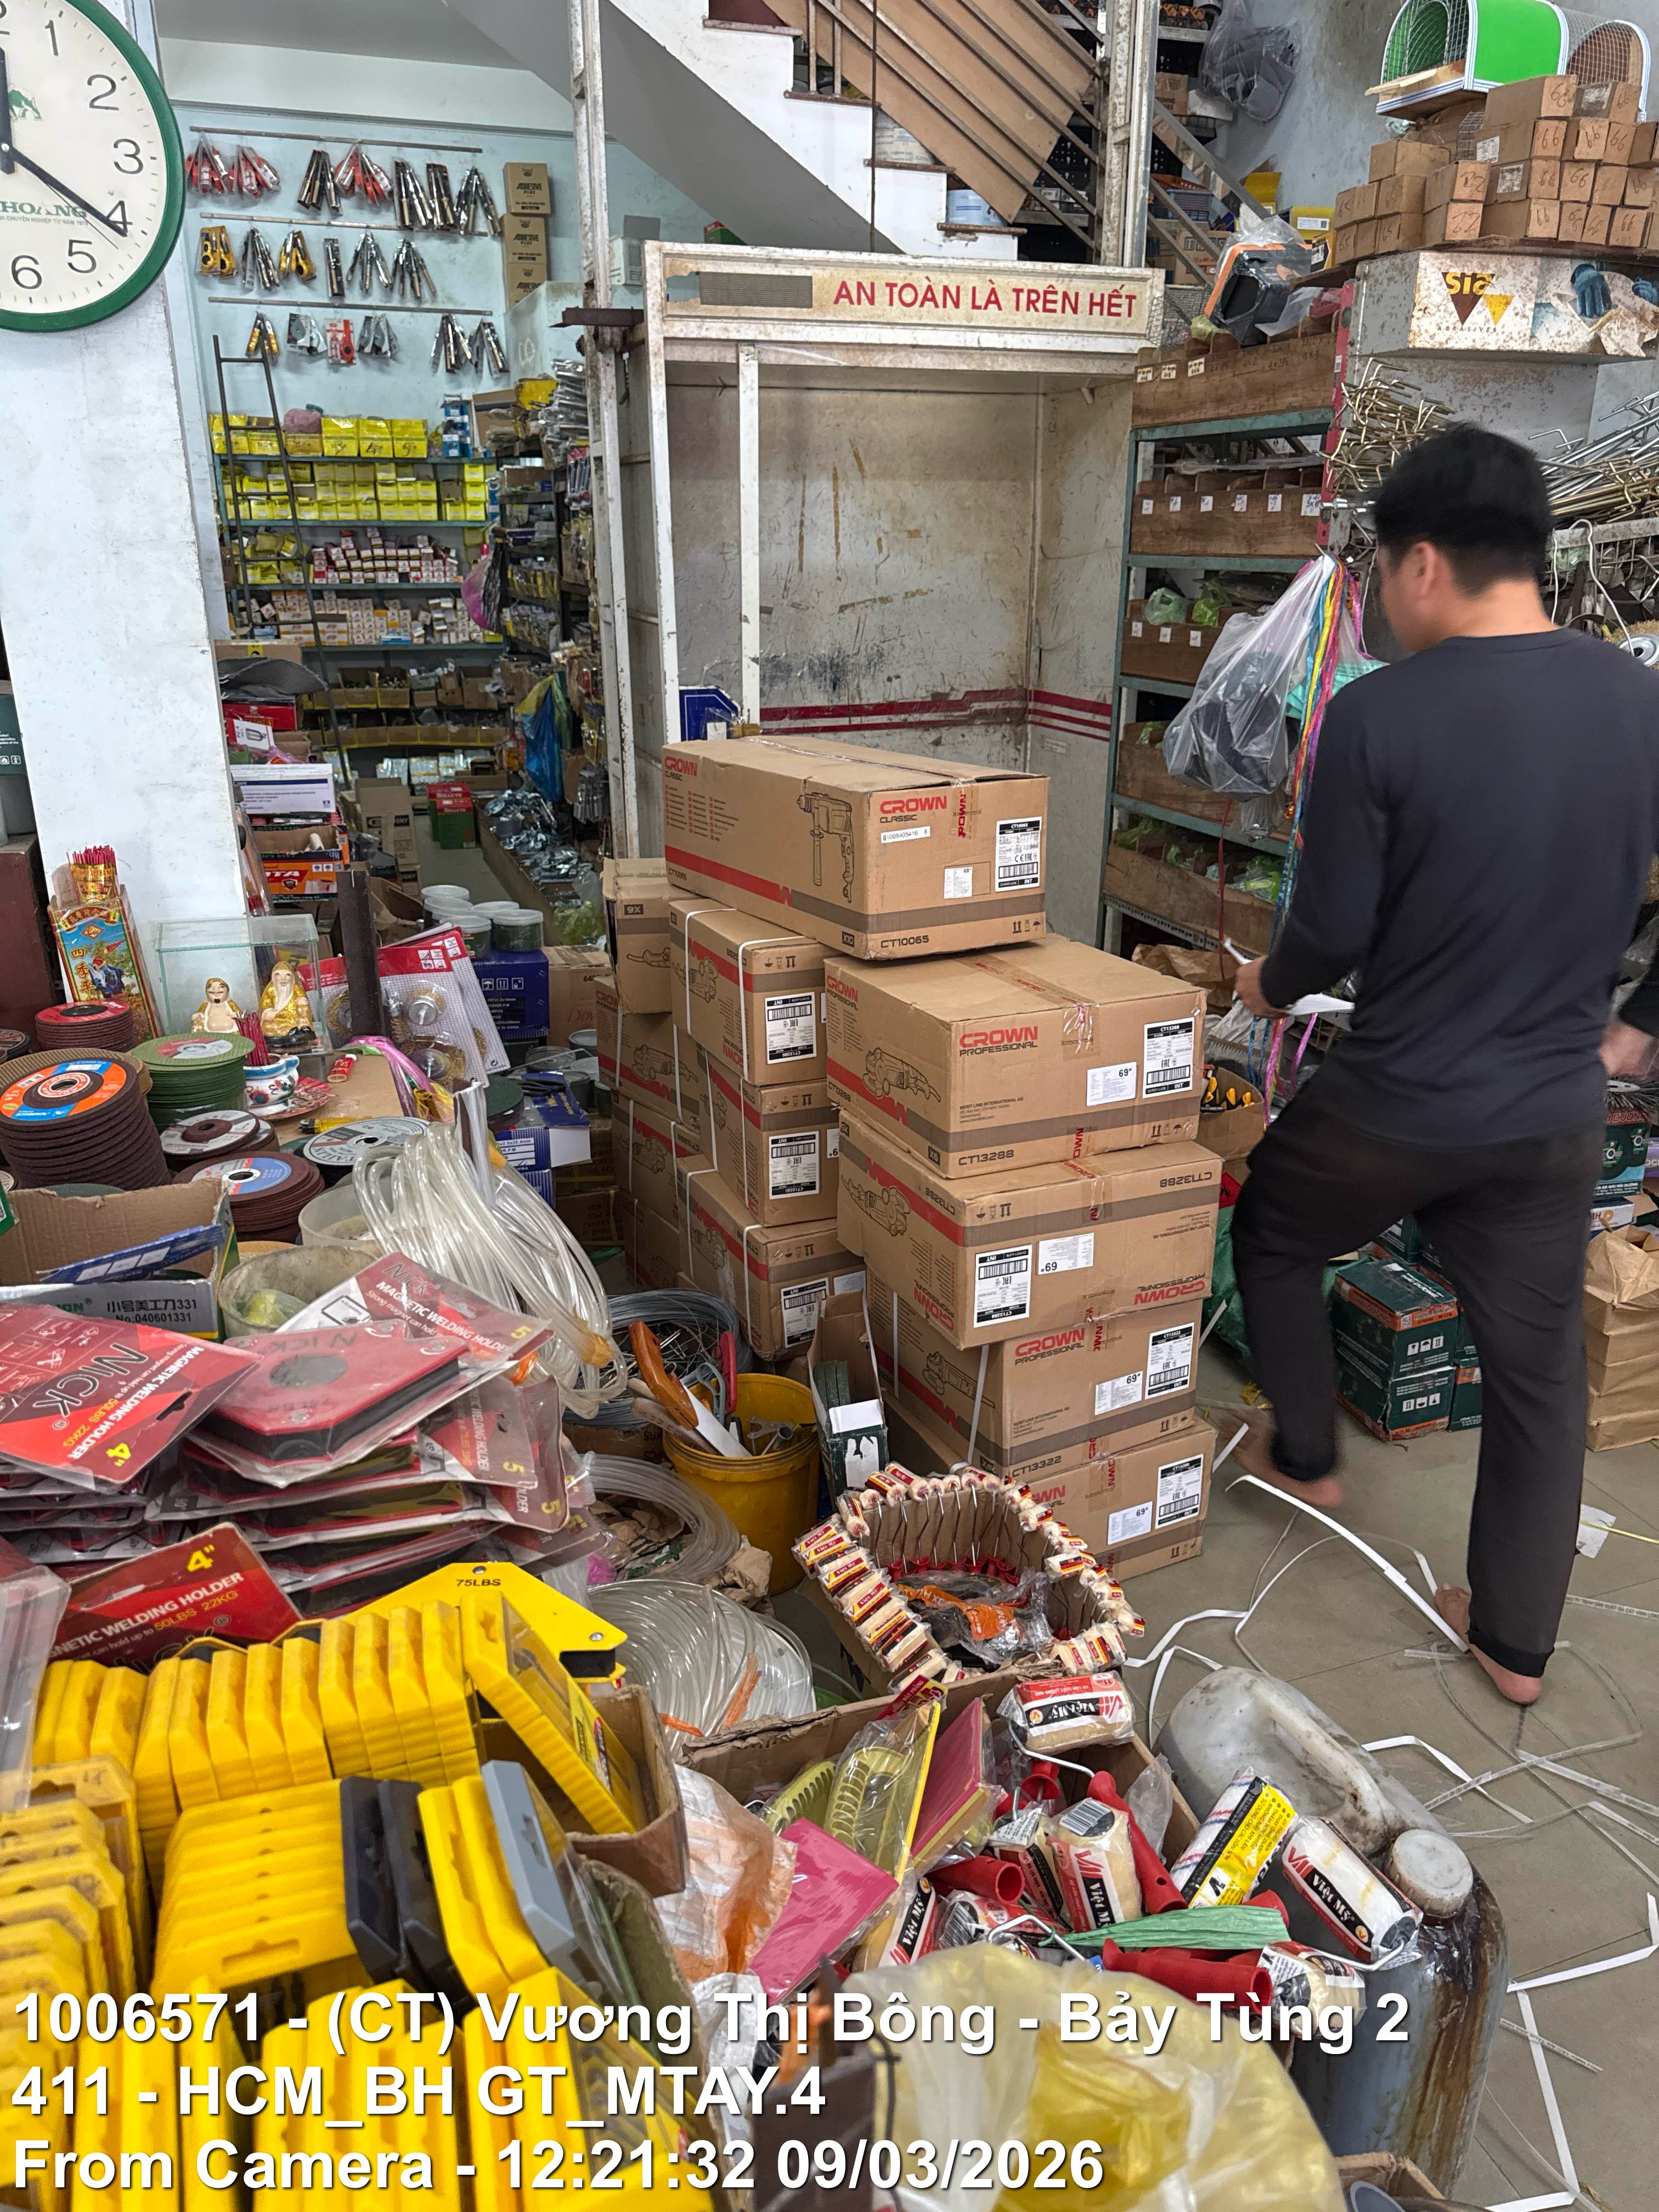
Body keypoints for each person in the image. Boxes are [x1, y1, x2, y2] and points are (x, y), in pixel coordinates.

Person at [1229, 422, 1659, 1707]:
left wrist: (1262, 985)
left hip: (1400, 1103)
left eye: (1376, 573)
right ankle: (1515, 1647)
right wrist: (1643, 1025)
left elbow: (1330, 935)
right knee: (1538, 1381)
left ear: (1421, 564)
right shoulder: (1639, 702)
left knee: (1275, 1228)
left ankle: (1307, 1454)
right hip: (1551, 1114)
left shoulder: (1379, 716)